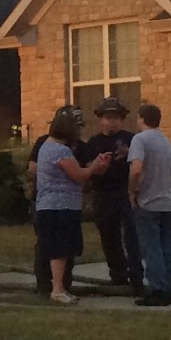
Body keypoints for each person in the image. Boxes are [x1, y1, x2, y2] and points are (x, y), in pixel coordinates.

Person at [29, 106, 103, 306]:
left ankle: (60, 287)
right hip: (58, 207)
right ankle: (57, 289)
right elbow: (78, 175)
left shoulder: (46, 146)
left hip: (56, 206)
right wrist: (94, 167)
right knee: (59, 249)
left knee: (61, 248)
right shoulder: (59, 150)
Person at [126, 101, 171, 306]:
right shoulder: (164, 140)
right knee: (168, 247)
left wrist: (132, 191)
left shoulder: (140, 139)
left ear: (142, 118)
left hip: (149, 201)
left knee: (151, 247)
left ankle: (158, 289)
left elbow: (136, 169)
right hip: (169, 200)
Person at [79, 98, 138, 291]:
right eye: (108, 118)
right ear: (101, 120)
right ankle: (118, 275)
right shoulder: (94, 143)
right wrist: (97, 165)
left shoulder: (132, 139)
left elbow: (141, 164)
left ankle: (136, 275)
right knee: (109, 235)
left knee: (132, 233)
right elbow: (87, 168)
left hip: (126, 192)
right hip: (103, 193)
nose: (112, 122)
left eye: (116, 118)